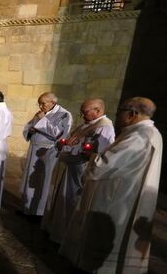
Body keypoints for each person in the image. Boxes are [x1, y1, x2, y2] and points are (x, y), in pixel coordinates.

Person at [60, 97, 161, 274]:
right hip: (123, 192)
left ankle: (95, 270)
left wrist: (91, 157)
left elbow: (104, 166)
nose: (117, 116)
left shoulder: (139, 136)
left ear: (132, 114)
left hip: (115, 195)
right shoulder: (148, 132)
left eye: (120, 111)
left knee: (101, 232)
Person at [42, 99, 115, 244]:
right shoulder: (88, 124)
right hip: (71, 167)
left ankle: (68, 237)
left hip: (82, 170)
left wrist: (81, 151)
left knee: (72, 201)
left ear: (98, 111)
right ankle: (58, 231)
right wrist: (63, 144)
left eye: (85, 112)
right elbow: (73, 141)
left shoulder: (104, 127)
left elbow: (102, 153)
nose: (82, 115)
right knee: (63, 198)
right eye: (81, 111)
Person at [20, 93, 73, 216]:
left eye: (43, 103)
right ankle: (26, 208)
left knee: (42, 181)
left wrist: (42, 120)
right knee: (29, 178)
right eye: (39, 103)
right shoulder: (40, 113)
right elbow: (29, 127)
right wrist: (31, 130)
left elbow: (60, 134)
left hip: (47, 152)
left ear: (53, 103)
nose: (40, 106)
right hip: (34, 149)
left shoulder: (64, 115)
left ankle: (38, 212)